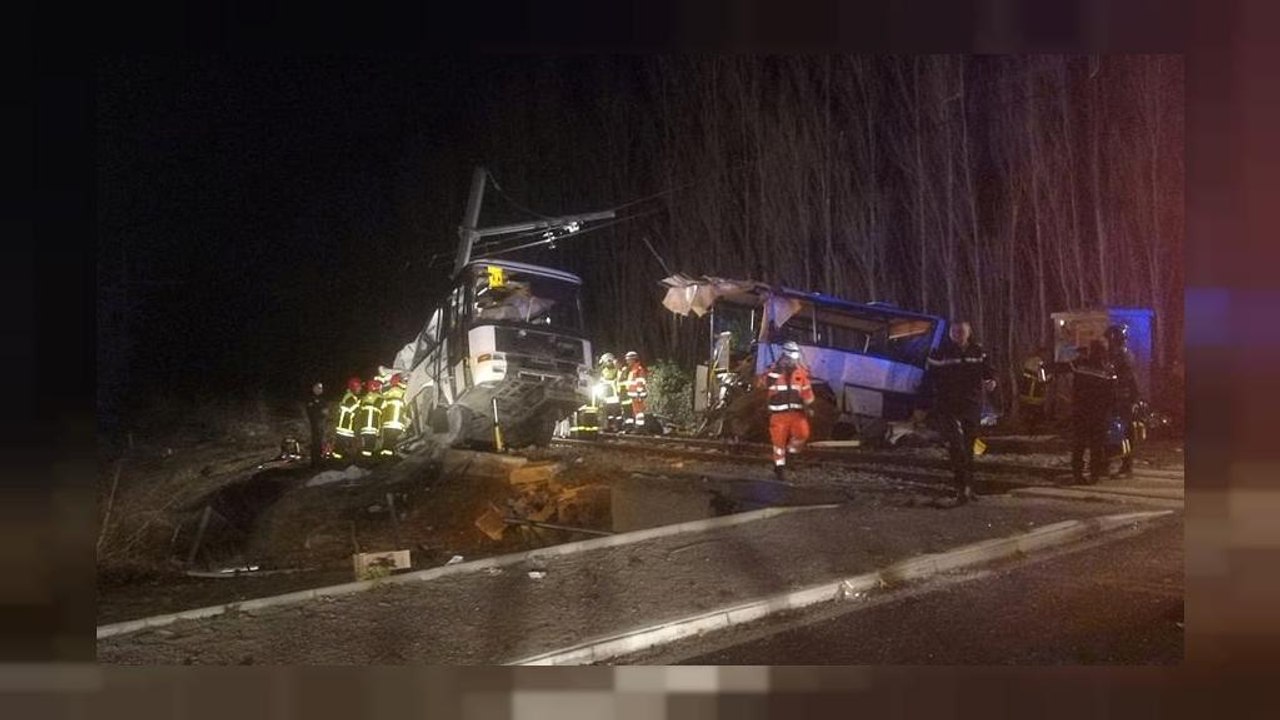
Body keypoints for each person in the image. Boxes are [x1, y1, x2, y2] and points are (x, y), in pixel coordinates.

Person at [923, 320, 996, 505]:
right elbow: (929, 379)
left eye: (961, 332)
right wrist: (925, 405)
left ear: (968, 332)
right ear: (950, 333)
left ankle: (968, 488)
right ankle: (961, 488)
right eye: (955, 332)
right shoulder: (940, 352)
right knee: (956, 446)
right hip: (947, 406)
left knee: (970, 446)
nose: (958, 335)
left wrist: (991, 381)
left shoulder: (978, 351)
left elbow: (988, 372)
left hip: (971, 404)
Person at [1049, 340, 1117, 484]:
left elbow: (1061, 368)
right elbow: (1112, 394)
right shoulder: (1107, 370)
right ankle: (1095, 474)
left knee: (1079, 443)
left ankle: (1078, 473)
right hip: (1098, 413)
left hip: (1081, 410)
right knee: (1096, 444)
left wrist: (1046, 367)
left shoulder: (1081, 364)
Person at [758, 341, 815, 481]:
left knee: (803, 434)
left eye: (794, 359)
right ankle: (779, 468)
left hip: (797, 413)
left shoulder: (801, 373)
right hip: (778, 415)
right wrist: (775, 373)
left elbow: (806, 391)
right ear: (784, 356)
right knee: (778, 443)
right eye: (790, 359)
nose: (792, 362)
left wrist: (810, 406)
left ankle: (791, 454)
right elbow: (762, 384)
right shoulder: (773, 371)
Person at [1105, 324, 1142, 477]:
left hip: (1121, 399)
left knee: (1123, 431)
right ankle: (1120, 463)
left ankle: (1125, 464)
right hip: (1120, 398)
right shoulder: (1123, 354)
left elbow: (1129, 379)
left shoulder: (1121, 356)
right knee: (1120, 431)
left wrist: (1134, 399)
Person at [1017, 347, 1051, 434]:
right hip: (1035, 391)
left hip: (1025, 390)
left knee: (1028, 409)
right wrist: (1049, 378)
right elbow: (1042, 378)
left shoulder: (1028, 361)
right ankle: (1033, 427)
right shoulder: (1040, 363)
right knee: (1035, 410)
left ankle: (1027, 426)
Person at [332, 377, 363, 460]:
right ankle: (336, 461)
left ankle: (338, 458)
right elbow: (353, 409)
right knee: (341, 443)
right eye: (359, 387)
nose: (360, 388)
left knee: (342, 443)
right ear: (354, 387)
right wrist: (359, 404)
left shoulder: (350, 397)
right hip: (345, 425)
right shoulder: (350, 398)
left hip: (346, 424)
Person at [378, 373, 408, 456]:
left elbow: (382, 405)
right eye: (404, 381)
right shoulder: (403, 392)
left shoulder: (388, 392)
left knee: (387, 442)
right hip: (398, 423)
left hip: (387, 423)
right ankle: (391, 456)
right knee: (394, 442)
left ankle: (385, 456)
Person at [622, 351, 649, 433]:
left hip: (637, 395)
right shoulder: (633, 370)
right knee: (635, 412)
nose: (627, 362)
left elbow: (640, 382)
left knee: (639, 412)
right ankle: (637, 427)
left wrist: (639, 395)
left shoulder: (638, 370)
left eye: (628, 360)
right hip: (633, 395)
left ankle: (640, 428)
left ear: (633, 360)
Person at [597, 353, 623, 433]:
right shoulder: (604, 371)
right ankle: (609, 426)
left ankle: (618, 426)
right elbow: (601, 380)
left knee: (616, 411)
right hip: (606, 394)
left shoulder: (616, 370)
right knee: (608, 412)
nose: (605, 364)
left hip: (614, 393)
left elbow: (616, 379)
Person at [358, 378, 384, 458]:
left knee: (366, 444)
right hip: (372, 425)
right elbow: (385, 406)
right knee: (370, 445)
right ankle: (367, 460)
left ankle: (364, 459)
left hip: (364, 425)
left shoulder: (365, 397)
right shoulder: (379, 397)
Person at [305, 381, 328, 468]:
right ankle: (314, 462)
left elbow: (325, 410)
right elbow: (311, 411)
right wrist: (320, 412)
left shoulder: (322, 399)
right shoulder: (311, 399)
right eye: (318, 388)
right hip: (314, 424)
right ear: (313, 388)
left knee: (320, 442)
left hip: (321, 423)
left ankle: (319, 459)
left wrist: (324, 413)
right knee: (315, 442)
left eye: (321, 388)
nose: (319, 389)